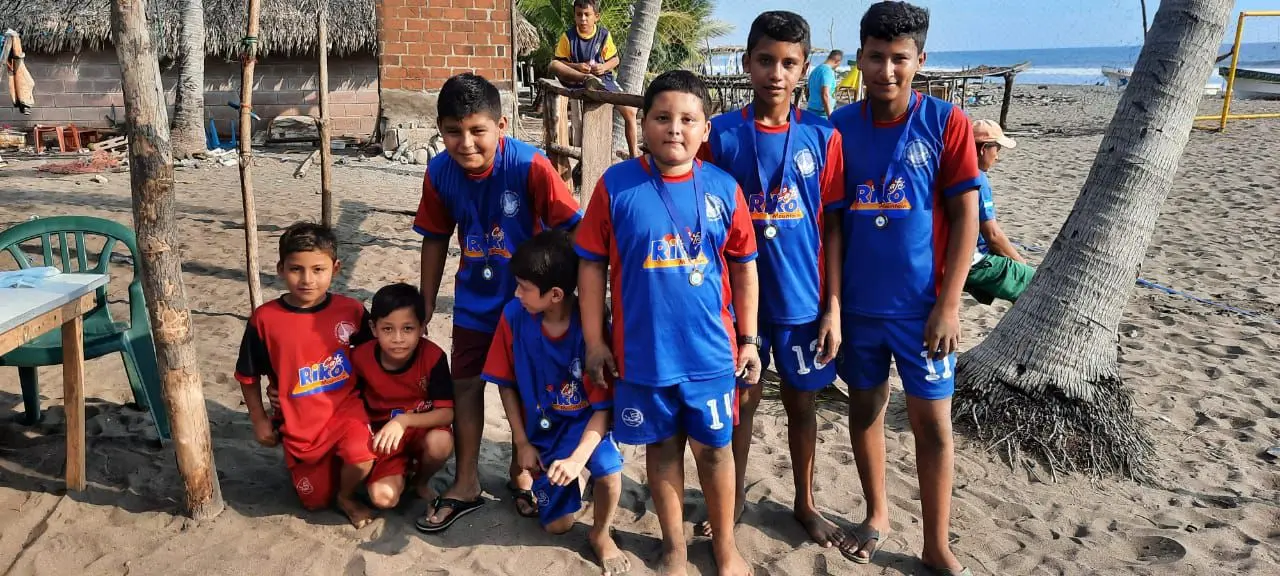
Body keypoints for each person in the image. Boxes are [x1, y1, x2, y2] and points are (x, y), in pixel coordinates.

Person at [576, 69, 759, 576]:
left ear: (705, 128)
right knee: (662, 450)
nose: (674, 128)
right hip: (643, 355)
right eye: (661, 117)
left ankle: (725, 547)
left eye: (687, 119)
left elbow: (745, 268)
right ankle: (674, 546)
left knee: (716, 452)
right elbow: (590, 265)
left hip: (711, 355)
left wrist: (748, 339)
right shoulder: (616, 185)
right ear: (643, 123)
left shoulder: (723, 188)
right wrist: (594, 340)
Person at [828, 2, 980, 574]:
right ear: (860, 58)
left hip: (924, 311)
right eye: (875, 57)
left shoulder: (946, 121)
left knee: (933, 425)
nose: (886, 70)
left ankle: (936, 543)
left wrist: (949, 304)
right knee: (865, 408)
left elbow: (966, 217)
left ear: (920, 59)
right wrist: (834, 304)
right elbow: (832, 223)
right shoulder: (840, 127)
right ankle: (877, 515)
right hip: (859, 308)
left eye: (899, 58)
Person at [699, 11, 846, 548]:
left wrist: (833, 306)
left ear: (805, 69)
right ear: (747, 63)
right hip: (739, 304)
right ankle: (734, 496)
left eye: (788, 63)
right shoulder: (720, 134)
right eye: (765, 60)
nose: (776, 73)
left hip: (802, 301)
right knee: (743, 400)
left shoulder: (823, 136)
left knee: (802, 403)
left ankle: (805, 502)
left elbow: (833, 226)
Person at [414, 72, 583, 531]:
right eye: (453, 131)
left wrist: (569, 301)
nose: (466, 142)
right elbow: (434, 237)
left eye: (477, 130)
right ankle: (466, 481)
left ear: (501, 125)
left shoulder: (529, 166)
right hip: (473, 300)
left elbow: (573, 228)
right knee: (466, 385)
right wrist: (426, 301)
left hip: (527, 307)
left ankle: (521, 473)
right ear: (440, 129)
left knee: (528, 388)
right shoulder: (439, 172)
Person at [483, 230, 631, 575]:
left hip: (586, 427)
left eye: (523, 287)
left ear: (555, 295)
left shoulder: (590, 329)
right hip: (543, 433)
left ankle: (601, 533)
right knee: (558, 526)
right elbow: (505, 384)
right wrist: (522, 442)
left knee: (609, 470)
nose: (516, 294)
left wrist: (578, 459)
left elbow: (603, 408)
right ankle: (575, 477)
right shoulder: (513, 316)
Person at [234, 222, 378, 528]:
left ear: (335, 269)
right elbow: (247, 375)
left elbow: (376, 357)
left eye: (318, 269)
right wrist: (259, 419)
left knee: (362, 455)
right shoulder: (265, 319)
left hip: (345, 411)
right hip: (299, 422)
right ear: (281, 269)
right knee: (315, 501)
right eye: (296, 269)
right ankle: (322, 469)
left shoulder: (351, 311)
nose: (307, 279)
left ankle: (347, 496)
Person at [350, 283, 455, 526]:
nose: (398, 339)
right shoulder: (360, 358)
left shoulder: (433, 357)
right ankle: (398, 471)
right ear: (373, 328)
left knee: (440, 443)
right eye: (388, 329)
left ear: (422, 327)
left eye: (408, 328)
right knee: (383, 498)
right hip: (385, 438)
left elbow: (447, 413)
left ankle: (420, 482)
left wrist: (404, 420)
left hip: (420, 429)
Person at [548, 0, 641, 159]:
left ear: (596, 17)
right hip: (576, 80)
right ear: (574, 16)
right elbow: (559, 62)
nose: (583, 19)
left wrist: (603, 67)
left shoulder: (604, 35)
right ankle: (587, 78)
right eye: (579, 15)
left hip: (603, 80)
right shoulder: (568, 37)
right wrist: (577, 67)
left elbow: (615, 59)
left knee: (630, 111)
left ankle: (634, 156)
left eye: (587, 15)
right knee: (553, 64)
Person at [965, 118, 1035, 304]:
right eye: (997, 149)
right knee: (1035, 284)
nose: (997, 157)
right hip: (973, 260)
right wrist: (1020, 262)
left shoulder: (953, 171)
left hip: (948, 255)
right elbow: (992, 235)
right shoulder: (977, 178)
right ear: (983, 149)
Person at [806, 49, 843, 119]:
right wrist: (830, 117)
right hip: (822, 114)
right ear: (837, 62)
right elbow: (825, 94)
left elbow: (807, 92)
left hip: (811, 111)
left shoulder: (815, 70)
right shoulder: (828, 71)